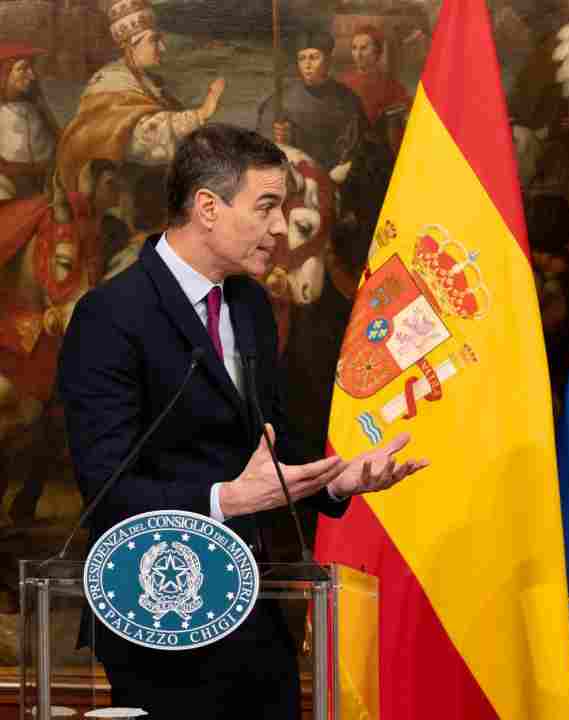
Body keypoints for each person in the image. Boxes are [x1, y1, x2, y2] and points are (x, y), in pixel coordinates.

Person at [56, 124, 428, 719]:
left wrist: (335, 479)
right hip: (159, 613)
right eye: (266, 206)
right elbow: (107, 487)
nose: (280, 227)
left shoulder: (250, 304)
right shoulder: (111, 315)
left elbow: (271, 442)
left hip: (254, 613)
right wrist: (223, 500)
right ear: (208, 207)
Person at [257, 29, 365, 171]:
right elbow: (263, 145)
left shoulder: (347, 99)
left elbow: (358, 147)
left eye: (314, 58)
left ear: (328, 61)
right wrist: (279, 140)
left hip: (338, 175)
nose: (307, 65)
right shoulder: (280, 100)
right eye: (302, 58)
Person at [0, 43, 59, 201]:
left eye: (31, 69)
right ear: (4, 73)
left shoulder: (37, 109)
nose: (31, 76)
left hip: (47, 184)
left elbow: (58, 144)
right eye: (23, 69)